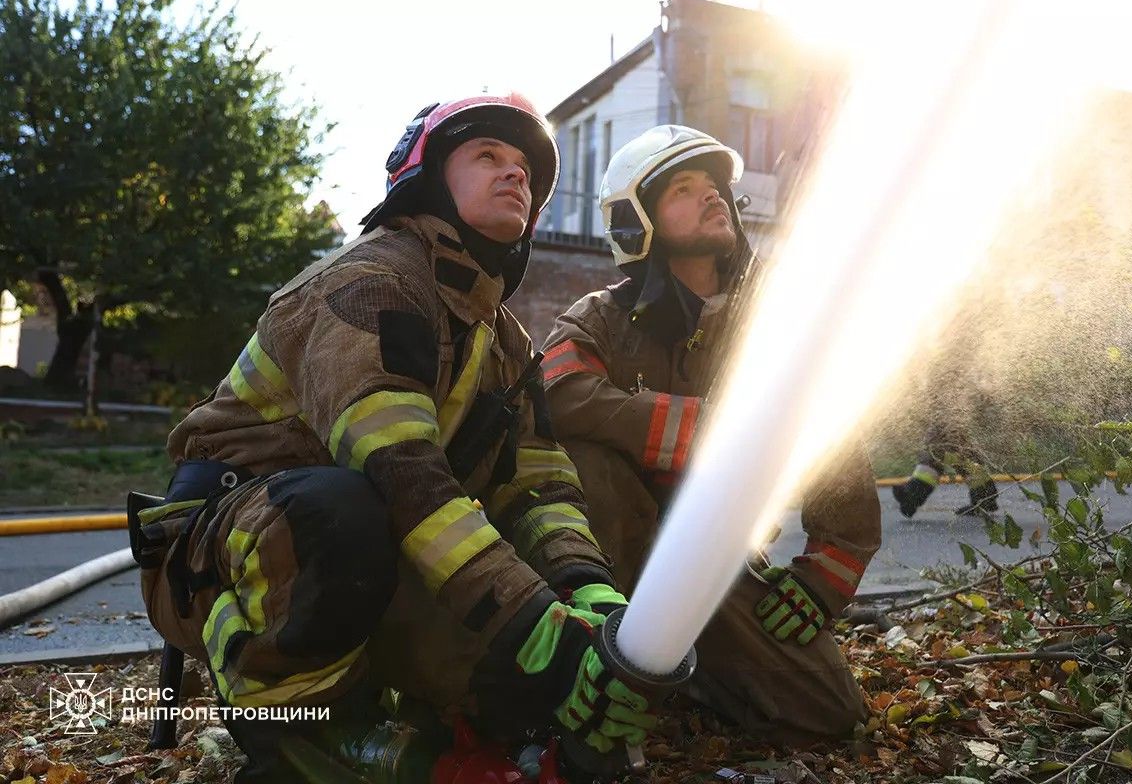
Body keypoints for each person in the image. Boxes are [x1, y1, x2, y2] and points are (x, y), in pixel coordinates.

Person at [131, 94, 659, 782]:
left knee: (519, 698)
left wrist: (585, 591)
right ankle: (300, 730)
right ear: (428, 179)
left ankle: (404, 702)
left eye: (526, 169)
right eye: (488, 156)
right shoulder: (371, 283)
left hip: (365, 548)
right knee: (339, 509)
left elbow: (540, 479)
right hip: (224, 553)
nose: (516, 175)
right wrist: (534, 623)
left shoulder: (500, 334)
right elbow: (401, 476)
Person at [540, 124, 882, 742]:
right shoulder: (601, 319)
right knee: (585, 455)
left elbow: (829, 430)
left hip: (713, 558)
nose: (713, 197)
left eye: (715, 186)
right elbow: (558, 396)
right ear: (635, 220)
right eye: (684, 188)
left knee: (830, 715)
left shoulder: (775, 323)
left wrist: (826, 569)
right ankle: (592, 659)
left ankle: (689, 673)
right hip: (614, 556)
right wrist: (698, 430)